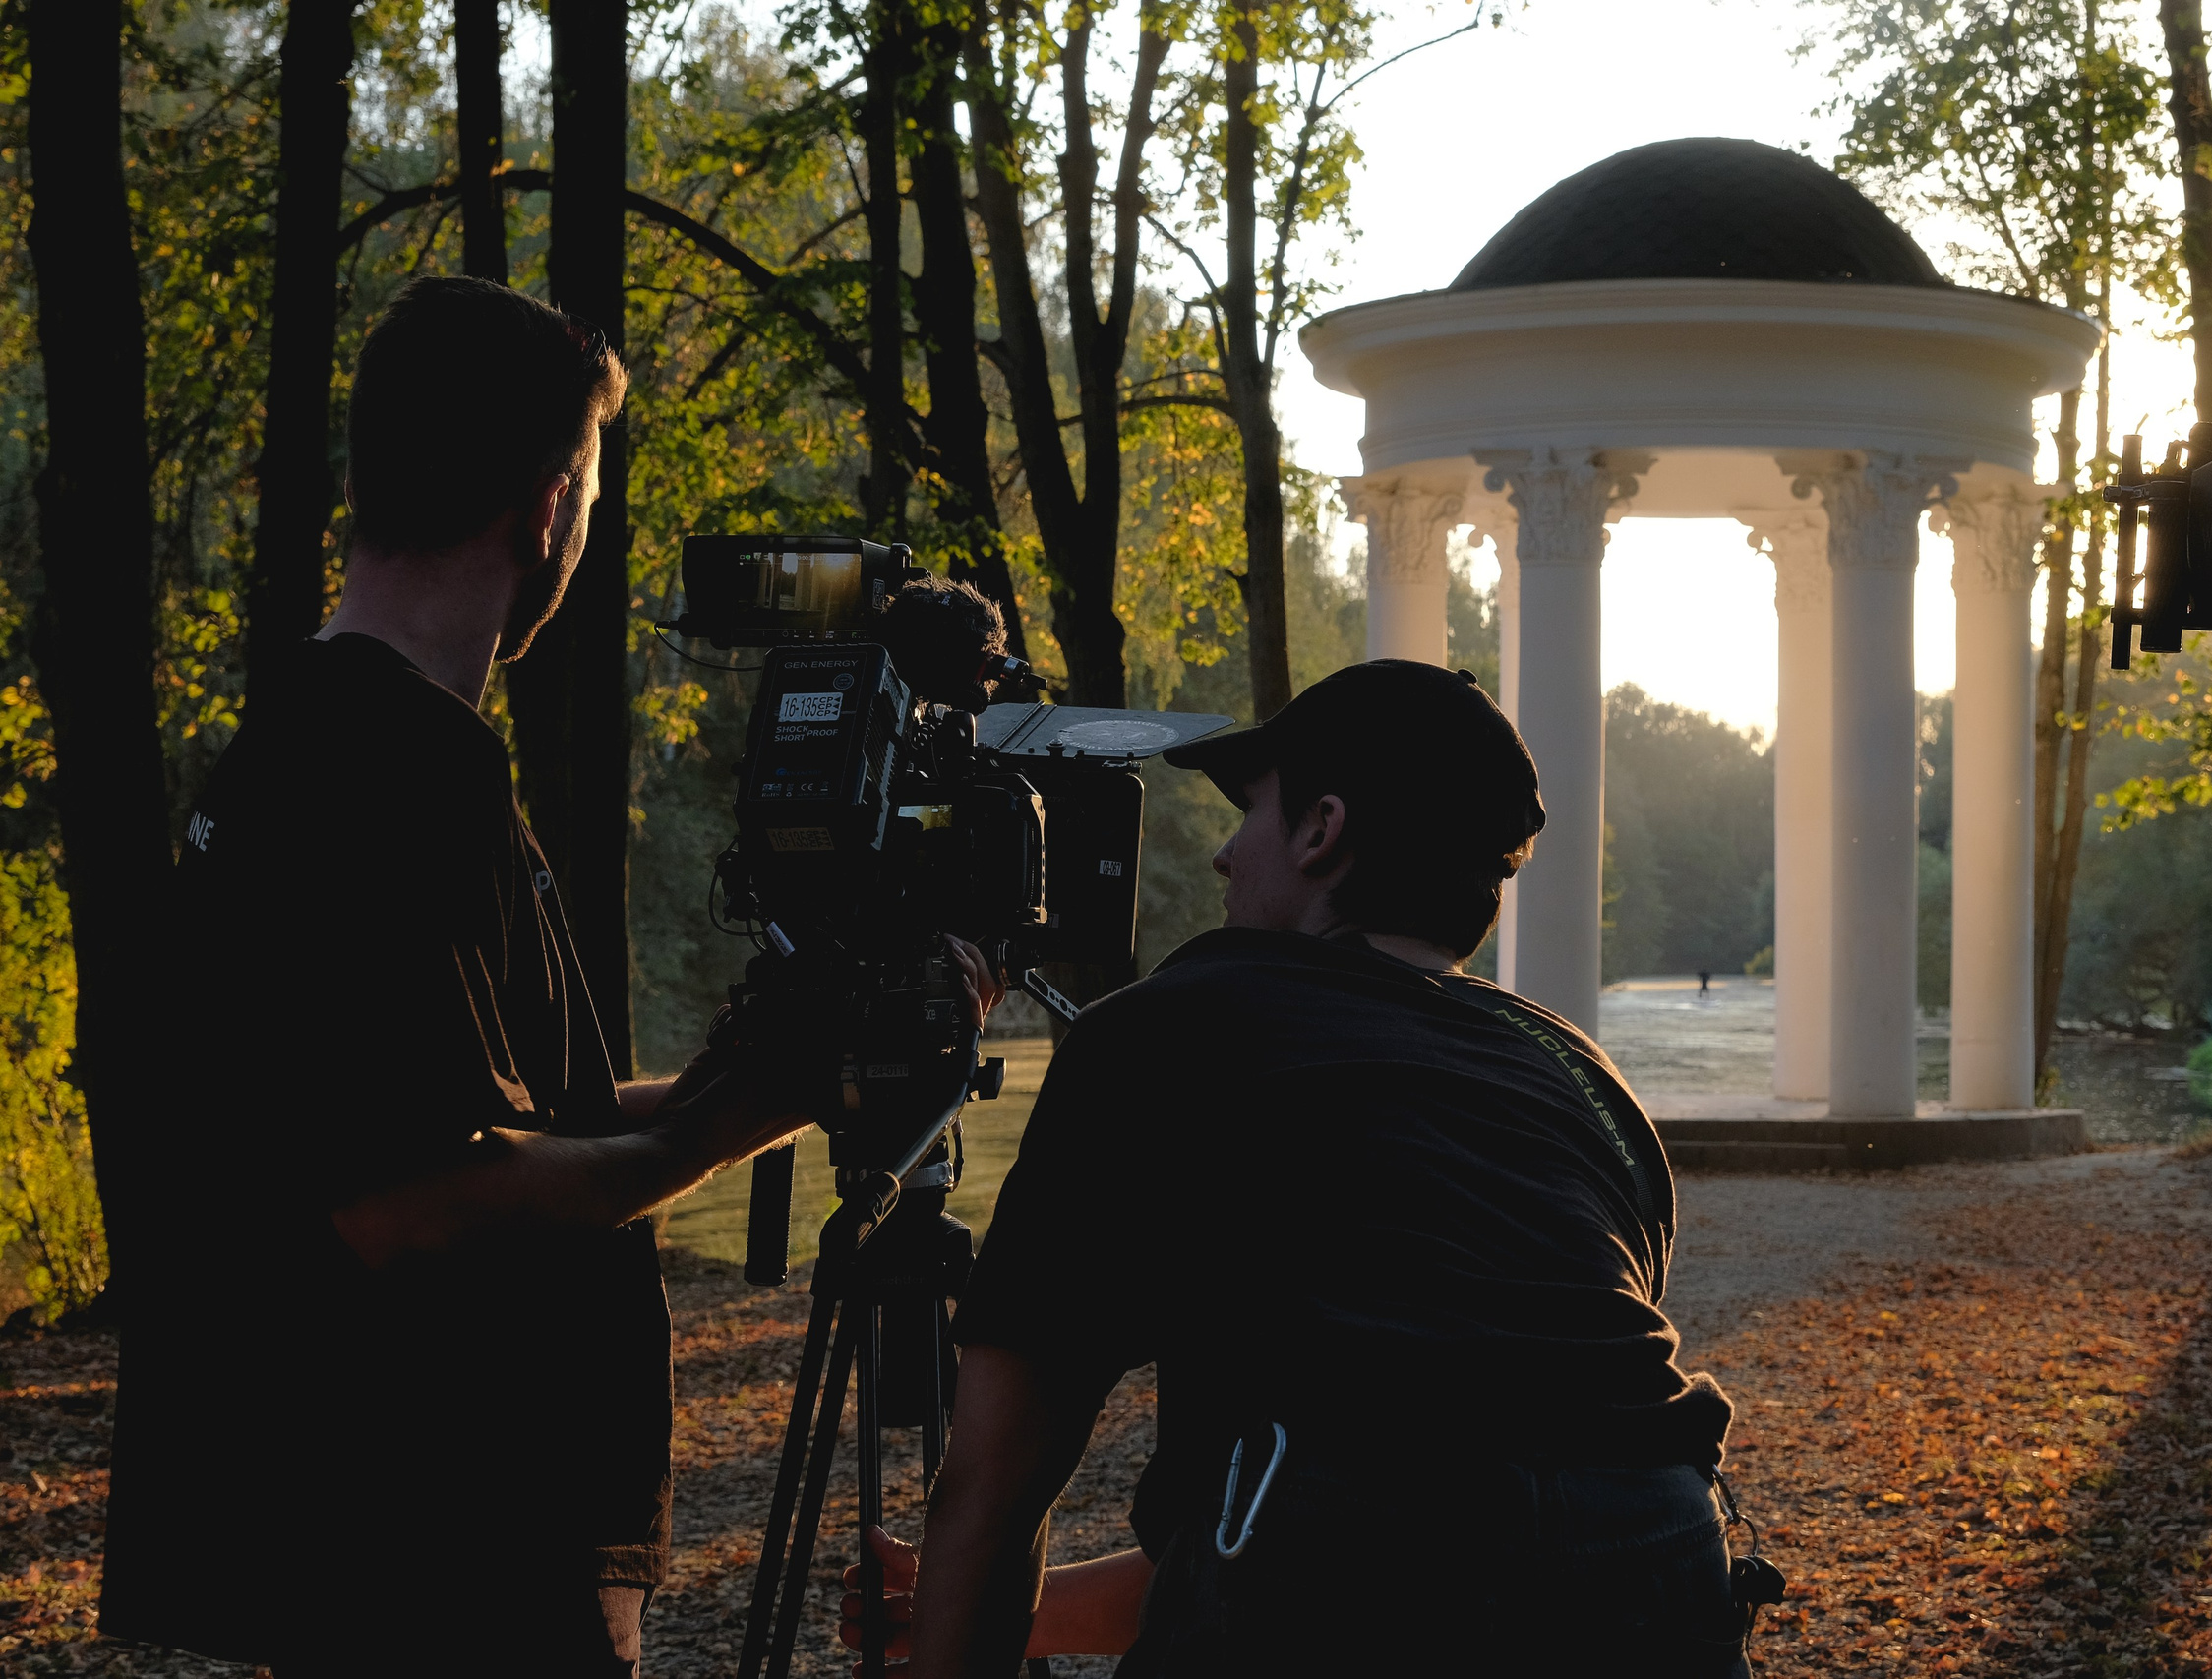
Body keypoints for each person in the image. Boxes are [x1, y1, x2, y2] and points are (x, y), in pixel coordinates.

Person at [100, 276, 996, 1677]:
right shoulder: (387, 768)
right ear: (549, 502)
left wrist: (747, 1089)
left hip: (407, 1548)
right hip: (441, 1556)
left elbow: (488, 1108)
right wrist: (698, 1133)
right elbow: (415, 1191)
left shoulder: (325, 735)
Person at [848, 661, 1752, 1678]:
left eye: (1252, 816)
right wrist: (1035, 1615)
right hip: (1662, 1566)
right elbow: (1468, 1489)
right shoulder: (1578, 1076)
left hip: (1338, 1563)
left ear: (1322, 831)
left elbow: (996, 1481)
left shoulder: (1164, 1029)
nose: (1225, 856)